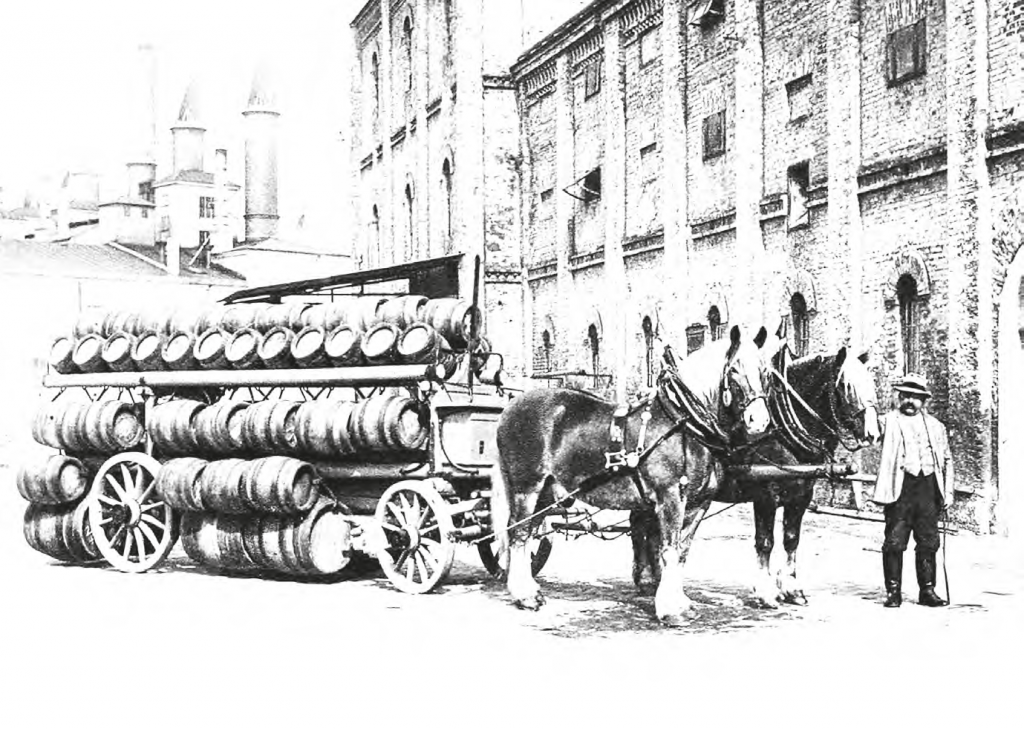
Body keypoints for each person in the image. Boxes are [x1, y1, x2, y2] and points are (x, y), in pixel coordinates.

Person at [870, 373, 953, 608]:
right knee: (895, 542)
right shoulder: (887, 421)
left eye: (915, 397)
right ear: (899, 397)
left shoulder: (936, 426)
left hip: (928, 489)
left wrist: (947, 492)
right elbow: (866, 432)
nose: (909, 401)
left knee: (928, 542)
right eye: (905, 396)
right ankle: (893, 592)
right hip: (901, 489)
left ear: (923, 401)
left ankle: (927, 591)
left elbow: (947, 460)